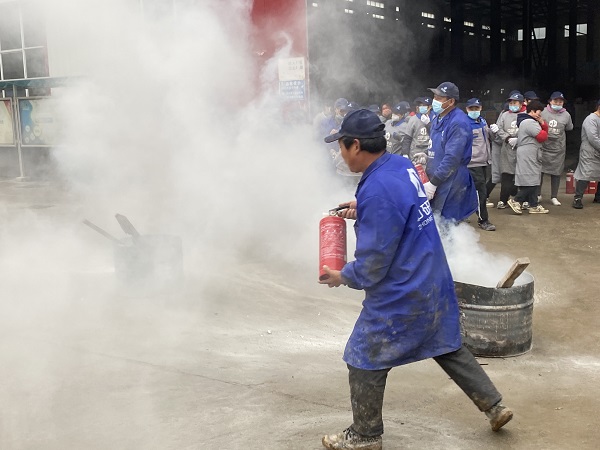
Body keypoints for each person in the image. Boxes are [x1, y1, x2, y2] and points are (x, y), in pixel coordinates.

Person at [319, 108, 513, 450]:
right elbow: (402, 206)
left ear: (355, 146)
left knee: (363, 357)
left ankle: (365, 436)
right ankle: (495, 407)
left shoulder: (377, 189)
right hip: (432, 278)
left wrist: (342, 275)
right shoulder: (400, 166)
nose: (340, 153)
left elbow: (373, 265)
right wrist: (362, 207)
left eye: (341, 146)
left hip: (402, 292)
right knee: (446, 344)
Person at [425, 81, 478, 222]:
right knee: (434, 221)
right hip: (437, 176)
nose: (435, 100)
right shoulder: (438, 118)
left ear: (451, 101)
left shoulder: (458, 122)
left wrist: (433, 183)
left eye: (439, 98)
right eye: (434, 97)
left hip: (452, 180)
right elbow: (437, 145)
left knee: (447, 224)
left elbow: (452, 158)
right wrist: (426, 155)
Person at [507, 100, 549, 214]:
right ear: (533, 111)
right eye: (539, 113)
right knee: (531, 181)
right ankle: (516, 200)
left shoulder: (527, 121)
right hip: (528, 154)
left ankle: (533, 205)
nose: (540, 115)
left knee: (533, 179)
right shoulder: (529, 122)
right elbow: (542, 137)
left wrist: (543, 124)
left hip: (530, 153)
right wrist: (543, 124)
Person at [465, 98, 496, 231]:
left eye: (476, 108)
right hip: (473, 163)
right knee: (480, 192)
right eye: (471, 108)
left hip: (484, 162)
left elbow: (491, 139)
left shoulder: (482, 121)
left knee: (468, 191)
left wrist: (493, 132)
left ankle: (463, 215)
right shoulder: (465, 124)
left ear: (481, 108)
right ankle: (483, 220)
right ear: (467, 109)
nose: (474, 111)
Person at [539, 91, 574, 206]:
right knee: (540, 171)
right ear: (550, 101)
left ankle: (554, 196)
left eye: (560, 102)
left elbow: (569, 127)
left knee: (556, 173)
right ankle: (538, 194)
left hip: (558, 148)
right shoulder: (543, 112)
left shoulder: (566, 115)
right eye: (555, 101)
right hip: (544, 146)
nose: (558, 103)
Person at [496, 92, 525, 209]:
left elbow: (529, 129)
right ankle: (503, 200)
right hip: (507, 147)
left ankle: (521, 199)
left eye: (515, 103)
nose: (512, 105)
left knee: (521, 174)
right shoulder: (504, 115)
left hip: (521, 147)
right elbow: (499, 128)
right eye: (511, 103)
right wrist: (507, 138)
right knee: (506, 174)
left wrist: (519, 139)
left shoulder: (526, 115)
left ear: (521, 104)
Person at [572, 100, 600, 209]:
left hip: (598, 150)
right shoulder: (591, 119)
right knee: (586, 174)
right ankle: (577, 198)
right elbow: (593, 138)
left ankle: (598, 196)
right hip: (589, 151)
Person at [402, 97, 432, 165]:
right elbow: (407, 138)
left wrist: (429, 124)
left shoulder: (435, 118)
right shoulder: (413, 119)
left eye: (424, 105)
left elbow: (436, 135)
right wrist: (405, 153)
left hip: (429, 152)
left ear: (430, 107)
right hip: (415, 152)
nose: (421, 107)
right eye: (420, 105)